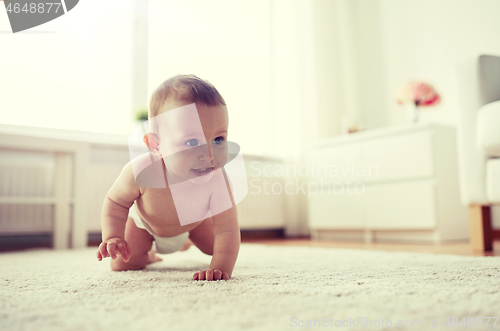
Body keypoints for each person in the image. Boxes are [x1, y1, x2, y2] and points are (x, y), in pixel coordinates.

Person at [96, 74, 240, 281]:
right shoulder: (141, 171)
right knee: (123, 264)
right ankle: (149, 254)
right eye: (191, 142)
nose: (209, 155)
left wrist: (220, 268)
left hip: (195, 224)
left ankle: (185, 241)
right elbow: (115, 201)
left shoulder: (219, 179)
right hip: (144, 226)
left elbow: (228, 230)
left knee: (216, 249)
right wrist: (113, 236)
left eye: (218, 139)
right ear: (156, 145)